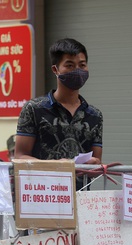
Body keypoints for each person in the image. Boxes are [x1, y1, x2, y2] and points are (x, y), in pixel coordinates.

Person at [15, 38, 103, 189]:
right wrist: (54, 166)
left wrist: (95, 165)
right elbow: (19, 157)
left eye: (82, 65)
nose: (78, 70)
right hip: (41, 197)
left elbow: (96, 161)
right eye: (69, 65)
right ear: (55, 69)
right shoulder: (34, 109)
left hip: (80, 199)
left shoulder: (94, 115)